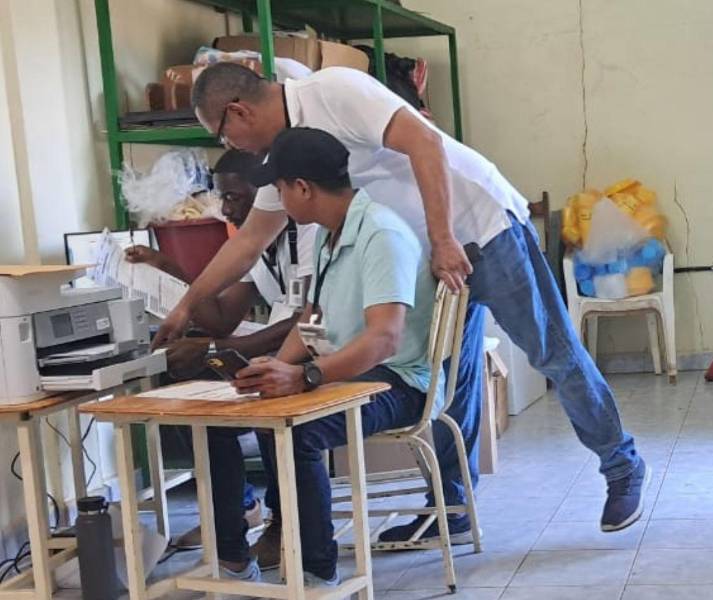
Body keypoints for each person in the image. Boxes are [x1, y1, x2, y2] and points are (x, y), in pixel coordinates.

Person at [155, 62, 647, 536]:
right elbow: (248, 242)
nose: (229, 146)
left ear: (238, 111)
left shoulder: (333, 90)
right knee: (449, 380)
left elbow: (423, 141)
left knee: (551, 351)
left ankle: (621, 465)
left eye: (222, 135)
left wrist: (443, 238)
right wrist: (185, 307)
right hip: (430, 253)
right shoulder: (288, 156)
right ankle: (452, 506)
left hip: (481, 230)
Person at [229, 126, 442, 584]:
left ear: (302, 188)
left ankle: (316, 572)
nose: (280, 200)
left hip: (400, 382)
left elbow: (384, 340)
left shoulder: (380, 234)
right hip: (359, 372)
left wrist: (304, 377)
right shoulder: (332, 234)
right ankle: (241, 552)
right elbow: (312, 319)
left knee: (299, 431)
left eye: (280, 189)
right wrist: (277, 368)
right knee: (262, 410)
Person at [127, 149, 318, 576]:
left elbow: (309, 322)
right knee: (189, 391)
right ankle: (232, 529)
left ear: (269, 194)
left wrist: (216, 349)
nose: (226, 209)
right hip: (283, 349)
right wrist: (167, 267)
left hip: (322, 353)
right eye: (222, 198)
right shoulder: (254, 244)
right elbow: (221, 317)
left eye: (234, 197)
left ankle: (282, 519)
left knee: (260, 386)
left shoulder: (306, 232)